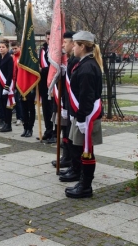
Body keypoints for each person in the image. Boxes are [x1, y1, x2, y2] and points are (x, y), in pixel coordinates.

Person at [64, 31, 103, 198]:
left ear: (82, 46)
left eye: (75, 44)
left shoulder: (87, 67)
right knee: (84, 151)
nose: (72, 47)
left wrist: (80, 118)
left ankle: (86, 186)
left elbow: (86, 96)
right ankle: (83, 182)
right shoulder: (86, 63)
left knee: (87, 151)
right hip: (84, 115)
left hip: (87, 117)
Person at [54, 31, 78, 171]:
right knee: (66, 132)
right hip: (67, 104)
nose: (62, 45)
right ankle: (68, 159)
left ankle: (74, 165)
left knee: (74, 137)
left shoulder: (76, 62)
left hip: (73, 106)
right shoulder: (69, 60)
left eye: (65, 42)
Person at [0, 39, 15, 132]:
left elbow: (10, 73)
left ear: (7, 48)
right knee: (0, 105)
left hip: (6, 85)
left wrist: (7, 87)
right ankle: (4, 123)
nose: (1, 49)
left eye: (3, 47)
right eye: (0, 47)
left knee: (7, 106)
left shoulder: (9, 58)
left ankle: (8, 125)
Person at [38, 31, 54, 141]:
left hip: (53, 83)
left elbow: (54, 67)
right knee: (45, 108)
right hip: (43, 82)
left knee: (53, 109)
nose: (49, 41)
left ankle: (54, 133)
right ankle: (48, 130)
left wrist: (42, 70)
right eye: (48, 38)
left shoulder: (56, 51)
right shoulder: (42, 49)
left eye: (51, 38)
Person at [10, 41, 23, 126]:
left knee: (19, 101)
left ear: (19, 47)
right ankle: (19, 117)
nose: (14, 50)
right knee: (16, 101)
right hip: (15, 81)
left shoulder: (22, 57)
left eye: (16, 48)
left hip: (21, 82)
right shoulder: (13, 57)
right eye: (13, 49)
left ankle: (21, 118)